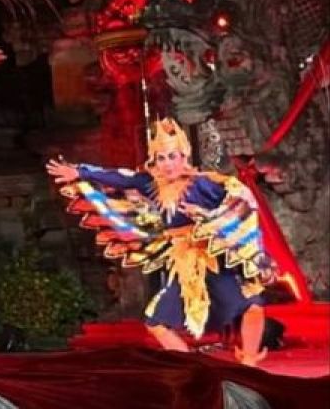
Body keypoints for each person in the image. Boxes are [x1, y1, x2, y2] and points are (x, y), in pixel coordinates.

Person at [46, 117, 275, 366]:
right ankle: (195, 368)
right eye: (162, 158)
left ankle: (250, 362)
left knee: (251, 304)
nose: (167, 164)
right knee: (155, 322)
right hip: (182, 262)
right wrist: (79, 171)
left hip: (211, 254)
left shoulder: (205, 183)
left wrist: (205, 217)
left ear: (184, 156)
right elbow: (118, 177)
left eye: (172, 156)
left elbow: (240, 202)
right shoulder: (150, 184)